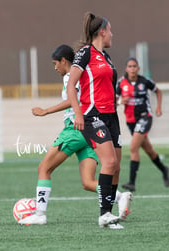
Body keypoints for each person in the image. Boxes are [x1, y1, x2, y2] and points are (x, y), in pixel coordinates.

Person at [18, 45, 132, 229]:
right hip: (91, 131)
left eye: (55, 63)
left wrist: (46, 111)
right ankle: (118, 197)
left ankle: (40, 214)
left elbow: (75, 99)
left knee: (44, 168)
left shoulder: (70, 76)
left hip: (75, 129)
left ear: (64, 61)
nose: (55, 67)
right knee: (88, 182)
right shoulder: (87, 73)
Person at [67, 12, 124, 228]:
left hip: (112, 116)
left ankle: (109, 216)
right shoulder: (85, 54)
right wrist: (78, 114)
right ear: (102, 31)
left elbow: (105, 86)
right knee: (108, 162)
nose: (112, 34)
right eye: (110, 30)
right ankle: (103, 214)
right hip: (93, 116)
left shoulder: (106, 57)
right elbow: (71, 85)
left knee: (116, 166)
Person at [116, 57, 169, 192]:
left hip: (145, 117)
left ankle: (132, 183)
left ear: (138, 68)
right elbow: (114, 99)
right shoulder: (121, 83)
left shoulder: (145, 81)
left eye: (134, 66)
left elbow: (158, 91)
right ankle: (164, 169)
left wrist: (158, 107)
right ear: (126, 69)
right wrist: (120, 101)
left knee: (134, 147)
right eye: (129, 66)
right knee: (149, 150)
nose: (132, 69)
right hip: (130, 121)